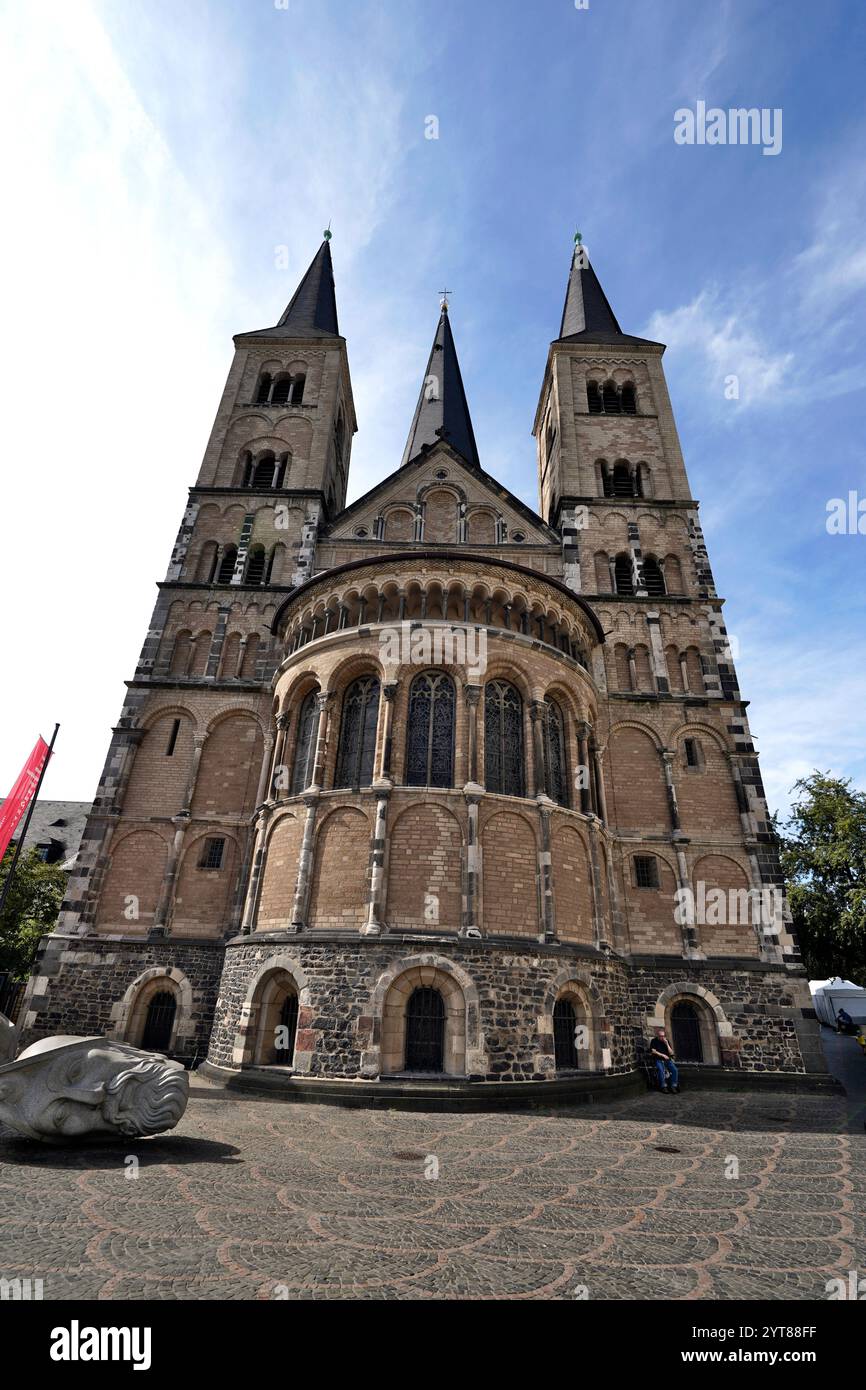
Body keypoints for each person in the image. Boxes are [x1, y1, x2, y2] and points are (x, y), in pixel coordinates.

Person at [650, 1027, 679, 1093]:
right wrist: (662, 1055)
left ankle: (673, 1086)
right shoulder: (654, 1041)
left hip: (668, 1060)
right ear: (657, 1035)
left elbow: (671, 1053)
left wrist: (667, 1044)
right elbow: (653, 1051)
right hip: (658, 1060)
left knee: (675, 1070)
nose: (662, 1037)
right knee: (661, 1070)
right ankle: (663, 1086)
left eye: (663, 1036)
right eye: (660, 1036)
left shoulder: (666, 1041)